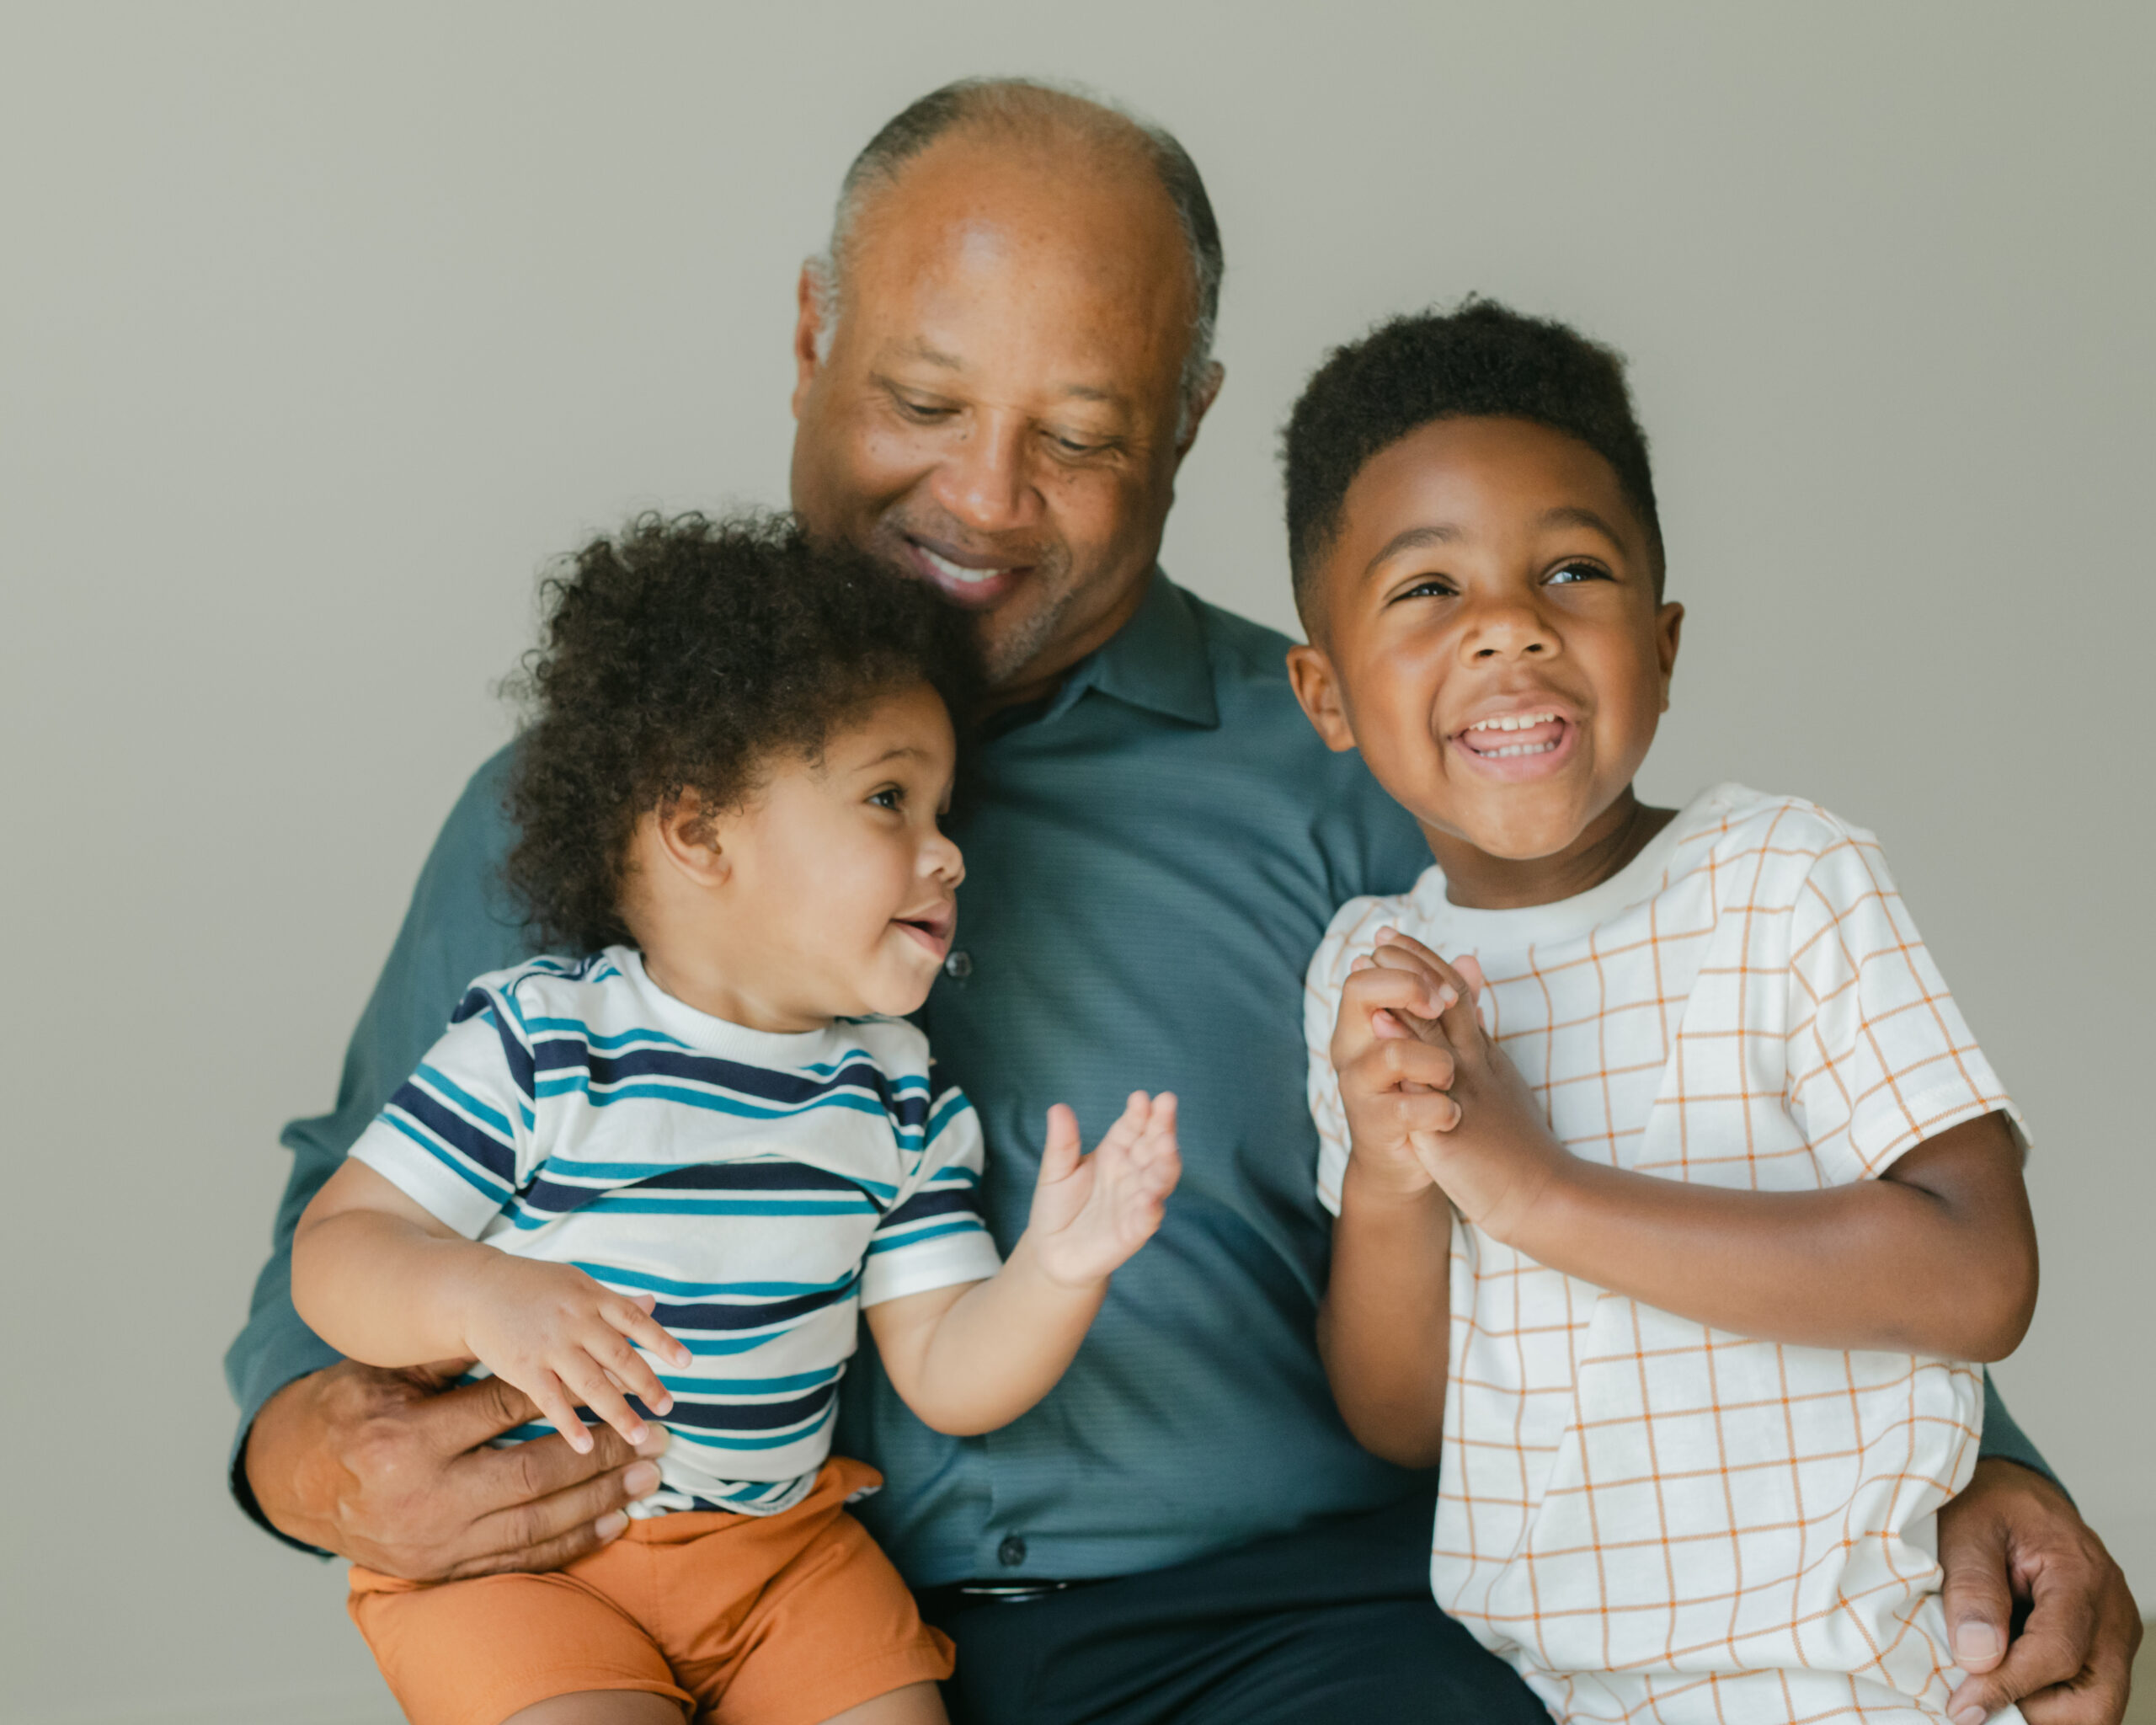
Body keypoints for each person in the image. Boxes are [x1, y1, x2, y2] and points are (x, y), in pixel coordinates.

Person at [225, 77, 2141, 1725]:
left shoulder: (1348, 768)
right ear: (809, 336)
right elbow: (335, 1250)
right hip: (747, 1627)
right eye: (916, 400)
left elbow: (1691, 1111)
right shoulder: (599, 808)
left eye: (1076, 436)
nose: (979, 498)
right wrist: (334, 1466)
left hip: (1294, 1630)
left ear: (1189, 422)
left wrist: (1971, 1467)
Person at [1288, 299, 2055, 1722]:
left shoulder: (1781, 880)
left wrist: (1534, 1193)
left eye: (1571, 570)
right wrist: (1394, 1189)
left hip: (1873, 1670)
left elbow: (1978, 1277)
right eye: (1427, 590)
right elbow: (1403, 1421)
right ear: (1325, 695)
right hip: (1581, 1696)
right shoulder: (1372, 972)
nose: (1510, 625)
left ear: (1665, 639)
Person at [288, 515, 1181, 1724]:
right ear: (699, 831)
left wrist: (1061, 1271)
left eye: (944, 811)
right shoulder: (544, 1043)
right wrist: (477, 1296)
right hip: (526, 1561)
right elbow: (336, 1251)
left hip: (778, 1562)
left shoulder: (897, 1097)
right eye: (889, 801)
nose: (948, 855)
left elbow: (951, 1372)